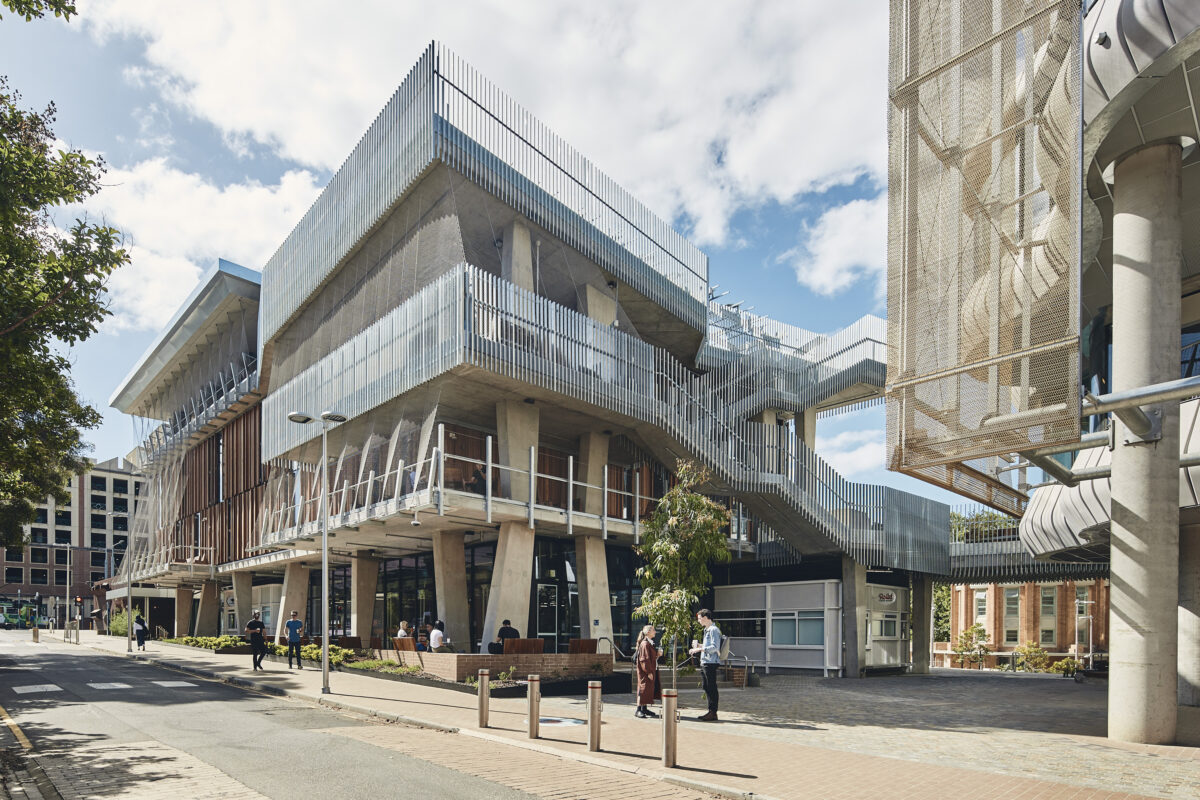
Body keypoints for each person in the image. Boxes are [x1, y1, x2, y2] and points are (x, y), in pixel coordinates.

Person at [688, 608, 722, 722]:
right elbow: (709, 646)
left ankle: (713, 712)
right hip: (705, 661)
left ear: (706, 618)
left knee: (711, 687)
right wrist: (699, 645)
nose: (698, 621)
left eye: (699, 618)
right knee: (706, 686)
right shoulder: (707, 630)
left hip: (711, 662)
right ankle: (711, 711)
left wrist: (699, 649)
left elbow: (714, 647)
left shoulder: (713, 630)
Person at [634, 624, 662, 719]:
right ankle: (638, 710)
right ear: (648, 632)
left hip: (649, 670)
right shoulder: (645, 644)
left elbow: (649, 657)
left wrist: (657, 655)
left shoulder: (649, 643)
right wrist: (649, 672)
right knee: (643, 688)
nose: (655, 632)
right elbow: (644, 659)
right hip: (645, 671)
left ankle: (644, 708)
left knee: (647, 689)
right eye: (653, 630)